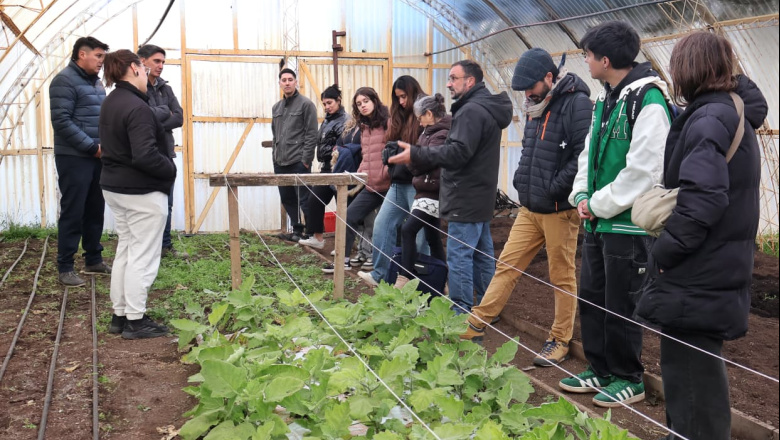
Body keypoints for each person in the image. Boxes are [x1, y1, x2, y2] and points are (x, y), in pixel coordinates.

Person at [635, 32, 767, 440]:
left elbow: (703, 201)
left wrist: (664, 252)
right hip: (715, 265)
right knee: (695, 377)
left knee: (693, 382)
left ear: (687, 69)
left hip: (698, 270)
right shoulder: (728, 111)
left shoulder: (710, 118)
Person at [558, 21, 671, 408]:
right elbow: (589, 153)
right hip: (598, 219)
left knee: (621, 300)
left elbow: (643, 172)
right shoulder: (606, 99)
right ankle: (600, 368)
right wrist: (581, 194)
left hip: (628, 224)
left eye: (588, 55)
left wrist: (598, 203)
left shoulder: (649, 101)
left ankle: (629, 377)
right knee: (593, 295)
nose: (585, 61)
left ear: (605, 60)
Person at [460, 48, 592, 367]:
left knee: (561, 276)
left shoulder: (576, 104)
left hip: (560, 209)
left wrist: (555, 188)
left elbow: (581, 154)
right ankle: (477, 322)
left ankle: (559, 339)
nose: (527, 94)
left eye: (530, 87)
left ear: (549, 77)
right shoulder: (536, 105)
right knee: (508, 264)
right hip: (530, 208)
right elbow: (529, 149)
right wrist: (522, 180)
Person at [388, 60, 513, 314]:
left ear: (470, 81)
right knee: (481, 255)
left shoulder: (470, 111)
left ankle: (461, 313)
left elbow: (458, 153)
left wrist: (417, 154)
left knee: (459, 258)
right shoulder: (484, 108)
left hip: (464, 196)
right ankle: (488, 310)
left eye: (454, 78)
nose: (448, 83)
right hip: (480, 195)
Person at [99, 49, 177, 339]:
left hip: (115, 187)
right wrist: (169, 168)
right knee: (143, 256)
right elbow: (145, 155)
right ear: (133, 68)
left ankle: (120, 315)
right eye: (144, 69)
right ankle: (136, 319)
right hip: (141, 191)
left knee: (127, 250)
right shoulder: (137, 107)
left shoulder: (111, 102)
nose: (147, 74)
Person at [49, 36, 111, 287]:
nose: (101, 63)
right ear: (81, 54)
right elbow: (62, 121)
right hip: (74, 157)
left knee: (95, 208)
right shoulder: (64, 80)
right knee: (73, 210)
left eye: (103, 58)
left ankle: (93, 259)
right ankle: (65, 266)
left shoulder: (96, 84)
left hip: (97, 155)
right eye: (98, 56)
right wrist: (91, 147)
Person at [357, 75, 427, 287]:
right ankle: (380, 275)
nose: (402, 102)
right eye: (398, 98)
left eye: (404, 97)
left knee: (420, 235)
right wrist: (389, 154)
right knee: (383, 225)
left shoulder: (424, 112)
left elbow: (426, 149)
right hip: (397, 182)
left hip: (416, 184)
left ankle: (424, 280)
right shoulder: (397, 117)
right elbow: (391, 143)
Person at [323, 87, 390, 273]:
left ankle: (391, 269)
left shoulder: (388, 123)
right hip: (370, 185)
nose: (363, 106)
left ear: (375, 101)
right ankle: (342, 260)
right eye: (359, 104)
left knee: (388, 226)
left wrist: (387, 173)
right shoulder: (364, 127)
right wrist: (358, 177)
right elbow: (367, 157)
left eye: (366, 101)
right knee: (348, 217)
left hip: (390, 185)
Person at [393, 94, 451, 289]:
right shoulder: (426, 133)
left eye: (420, 117)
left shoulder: (442, 134)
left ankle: (404, 279)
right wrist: (415, 163)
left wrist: (414, 162)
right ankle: (443, 282)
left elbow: (429, 162)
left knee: (408, 230)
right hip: (424, 190)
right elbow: (419, 163)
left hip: (434, 192)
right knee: (433, 238)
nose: (418, 121)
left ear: (429, 113)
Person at [137, 44, 186, 259]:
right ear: (142, 61)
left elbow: (179, 117)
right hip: (143, 154)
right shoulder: (136, 88)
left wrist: (154, 122)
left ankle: (165, 245)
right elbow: (137, 119)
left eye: (163, 62)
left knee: (167, 202)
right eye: (157, 61)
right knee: (146, 204)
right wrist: (160, 117)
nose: (161, 66)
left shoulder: (165, 88)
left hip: (165, 153)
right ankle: (148, 248)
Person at [298, 84, 351, 249]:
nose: (327, 107)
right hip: (326, 167)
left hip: (339, 167)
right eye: (324, 104)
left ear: (339, 101)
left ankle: (343, 246)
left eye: (330, 103)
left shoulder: (345, 120)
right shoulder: (328, 120)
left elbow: (342, 145)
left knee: (342, 206)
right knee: (314, 200)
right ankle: (318, 238)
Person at [271, 68, 318, 242]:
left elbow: (312, 133)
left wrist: (306, 160)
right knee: (287, 197)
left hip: (299, 161)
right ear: (280, 83)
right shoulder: (276, 108)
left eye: (290, 79)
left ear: (296, 82)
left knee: (305, 198)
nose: (287, 82)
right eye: (284, 80)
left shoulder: (306, 105)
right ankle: (297, 231)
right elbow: (275, 135)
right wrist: (274, 157)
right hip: (280, 162)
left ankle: (313, 233)